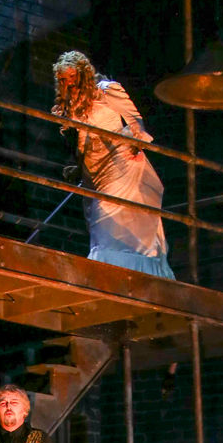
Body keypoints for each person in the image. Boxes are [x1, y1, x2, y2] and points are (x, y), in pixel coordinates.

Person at [52, 50, 175, 279]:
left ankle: (128, 275)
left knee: (117, 223)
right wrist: (77, 167)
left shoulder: (106, 90)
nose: (69, 84)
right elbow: (81, 144)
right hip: (95, 173)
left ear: (83, 75)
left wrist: (137, 140)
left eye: (72, 77)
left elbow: (134, 118)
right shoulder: (69, 107)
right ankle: (109, 277)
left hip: (121, 164)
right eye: (63, 80)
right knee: (101, 225)